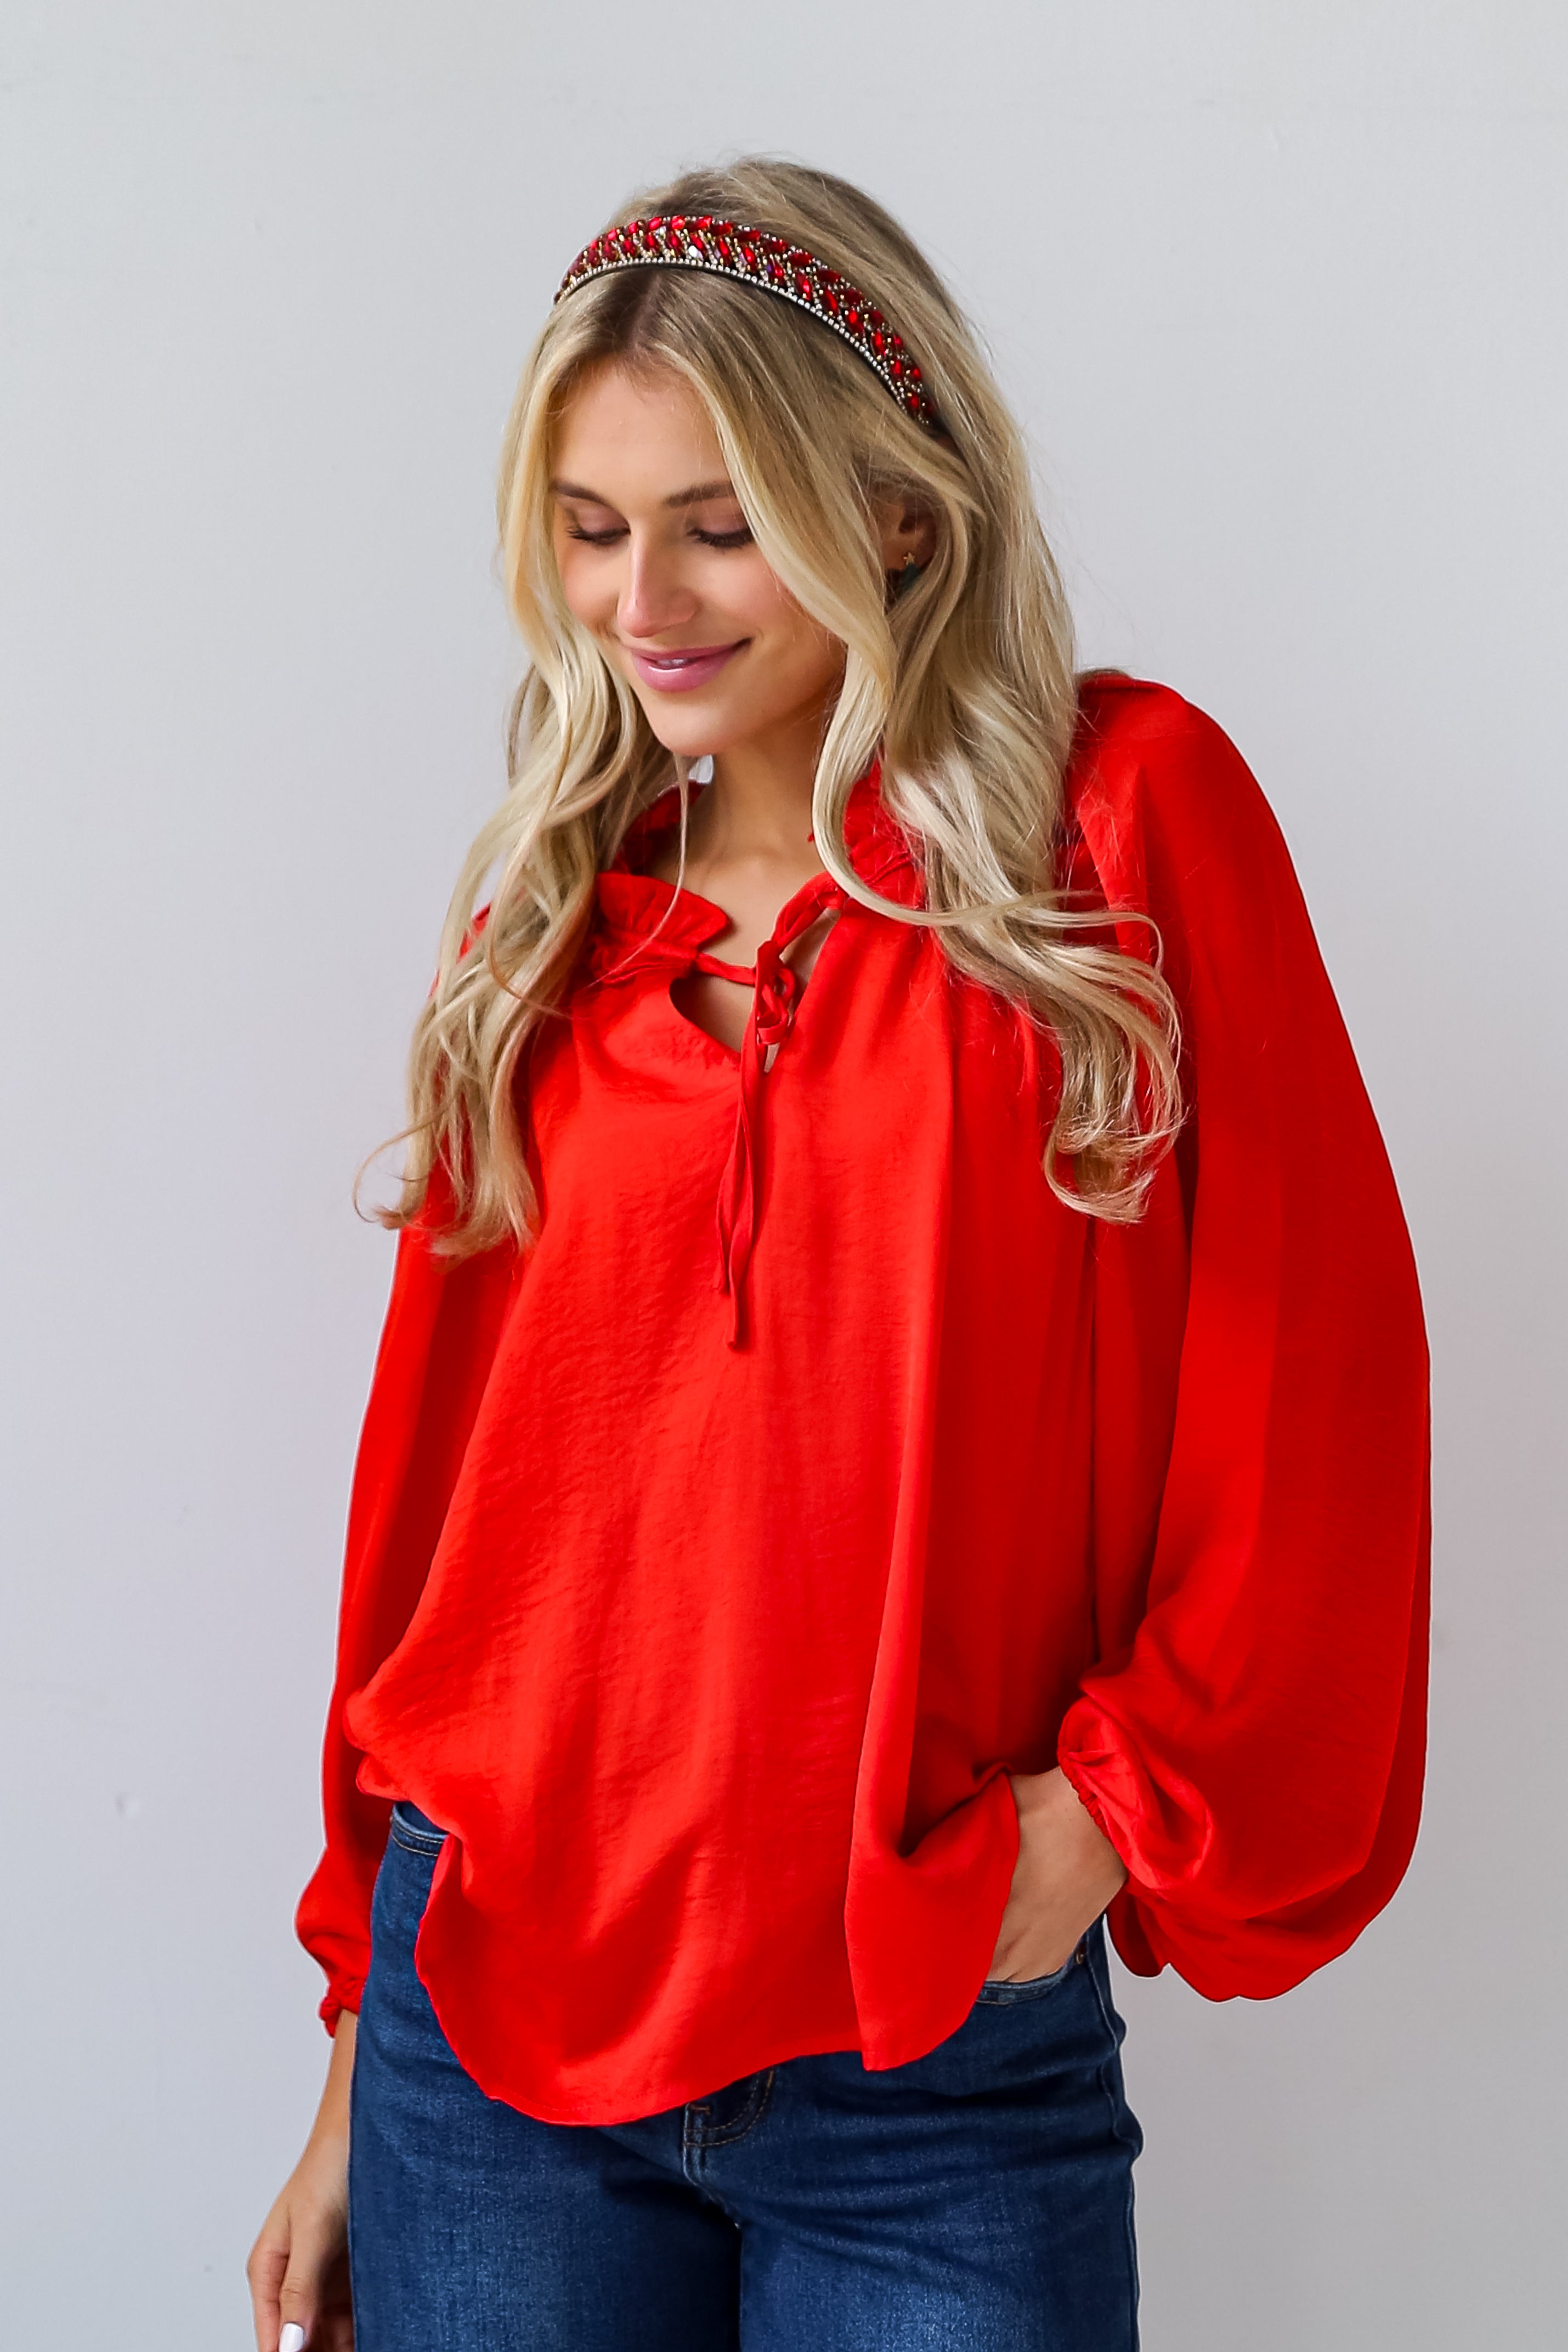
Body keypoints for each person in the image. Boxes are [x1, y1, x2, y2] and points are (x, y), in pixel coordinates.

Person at [246, 158, 1430, 2352]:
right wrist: (345, 2057)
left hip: (931, 2062)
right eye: (590, 531)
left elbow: (1313, 1386)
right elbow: (435, 1524)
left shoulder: (1114, 833)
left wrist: (1108, 1818)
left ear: (893, 510)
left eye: (717, 525)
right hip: (483, 2046)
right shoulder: (550, 922)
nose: (642, 601)